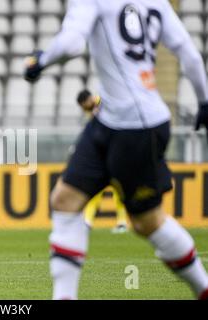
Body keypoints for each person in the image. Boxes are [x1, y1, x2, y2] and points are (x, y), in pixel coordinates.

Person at [24, 0, 208, 299]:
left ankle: (204, 289)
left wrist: (41, 60)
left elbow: (71, 44)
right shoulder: (156, 2)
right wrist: (203, 101)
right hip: (110, 120)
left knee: (147, 221)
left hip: (137, 127)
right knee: (64, 200)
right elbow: (188, 53)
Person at [77, 90, 128, 233]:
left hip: (116, 153)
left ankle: (122, 222)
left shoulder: (103, 102)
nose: (84, 109)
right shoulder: (94, 109)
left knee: (118, 190)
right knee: (96, 190)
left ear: (87, 100)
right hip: (104, 155)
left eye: (83, 105)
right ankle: (87, 221)